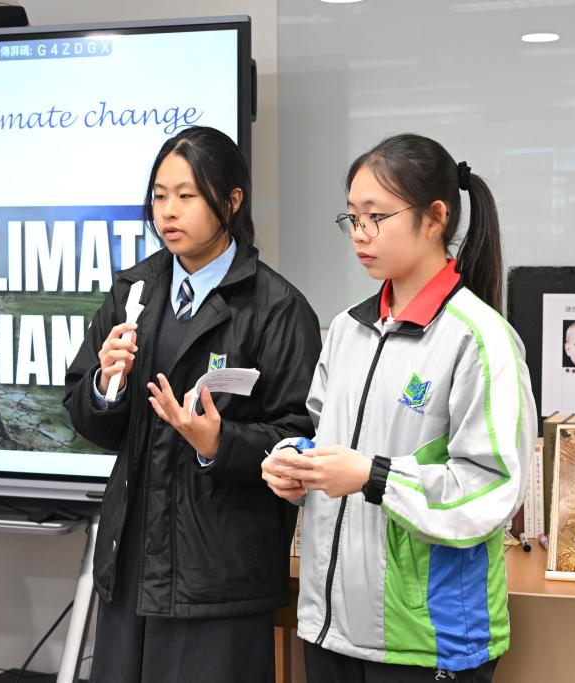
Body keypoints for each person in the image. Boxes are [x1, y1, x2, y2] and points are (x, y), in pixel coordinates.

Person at [262, 133, 536, 682]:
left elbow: (492, 489)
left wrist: (373, 476)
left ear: (434, 218)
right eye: (352, 217)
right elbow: (324, 433)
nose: (360, 233)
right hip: (332, 626)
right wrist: (294, 459)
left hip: (427, 640)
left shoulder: (479, 339)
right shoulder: (347, 329)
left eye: (376, 216)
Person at [63, 126, 321, 683]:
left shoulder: (278, 309)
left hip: (220, 578)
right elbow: (87, 417)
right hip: (131, 564)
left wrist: (218, 445)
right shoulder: (133, 291)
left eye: (187, 195)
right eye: (160, 195)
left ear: (232, 201)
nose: (169, 211)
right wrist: (106, 386)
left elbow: (301, 437)